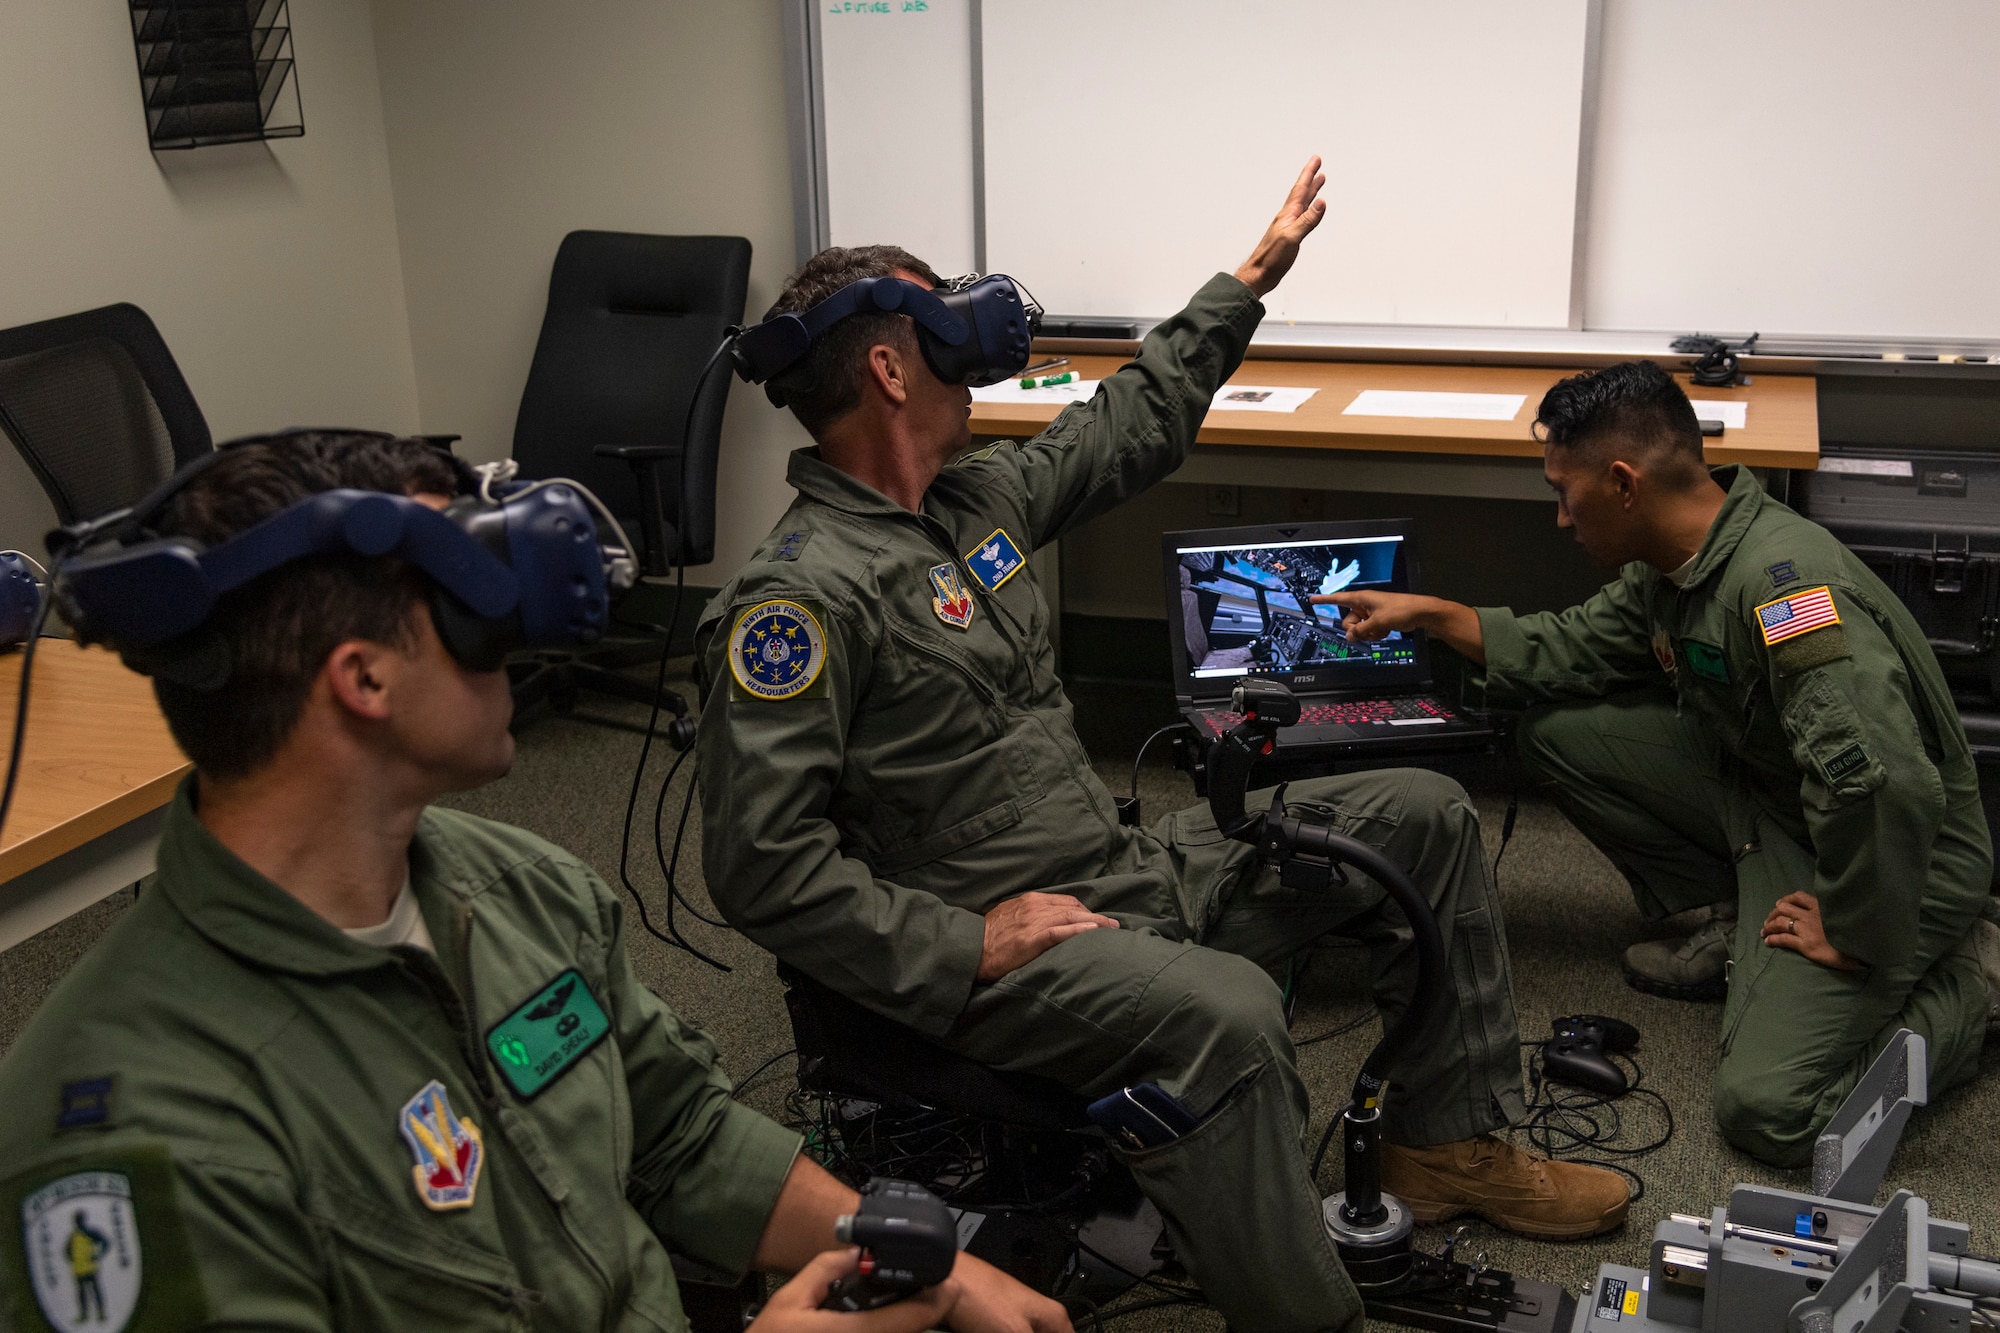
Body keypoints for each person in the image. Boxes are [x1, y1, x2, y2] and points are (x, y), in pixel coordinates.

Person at [693, 161, 1627, 1333]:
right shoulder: (797, 603)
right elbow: (759, 868)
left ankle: (1441, 1146)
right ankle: (1301, 1315)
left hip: (1120, 878)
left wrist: (1244, 283)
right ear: (888, 367)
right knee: (1228, 1013)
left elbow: (1129, 422)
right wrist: (966, 943)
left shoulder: (973, 502)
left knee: (1422, 814)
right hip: (999, 948)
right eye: (939, 321)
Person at [0, 432, 1066, 1333]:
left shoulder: (518, 889)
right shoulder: (144, 1138)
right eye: (473, 608)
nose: (514, 641)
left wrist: (907, 1247)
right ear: (361, 679)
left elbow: (682, 1132)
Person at [1318, 360, 2000, 1165]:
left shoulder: (1785, 594)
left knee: (1770, 1109)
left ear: (1622, 482)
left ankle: (1975, 980)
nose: (1561, 519)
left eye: (1563, 493)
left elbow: (1884, 788)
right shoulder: (1676, 564)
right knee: (1556, 731)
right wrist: (1433, 615)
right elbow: (1567, 649)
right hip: (1780, 801)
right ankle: (1745, 917)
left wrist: (1853, 929)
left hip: (1897, 859)